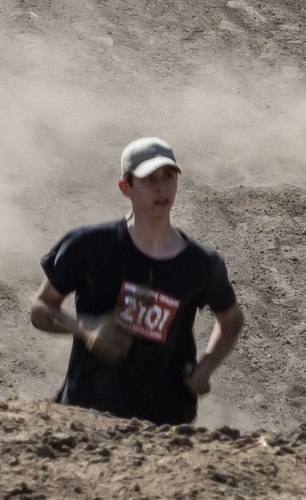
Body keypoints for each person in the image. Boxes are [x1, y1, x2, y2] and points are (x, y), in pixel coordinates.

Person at [29, 136, 244, 426]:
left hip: (167, 425)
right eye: (149, 179)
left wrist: (207, 366)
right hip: (86, 416)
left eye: (169, 177)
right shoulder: (89, 246)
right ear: (125, 187)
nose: (161, 188)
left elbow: (231, 320)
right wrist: (85, 330)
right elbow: (41, 307)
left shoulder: (201, 263)